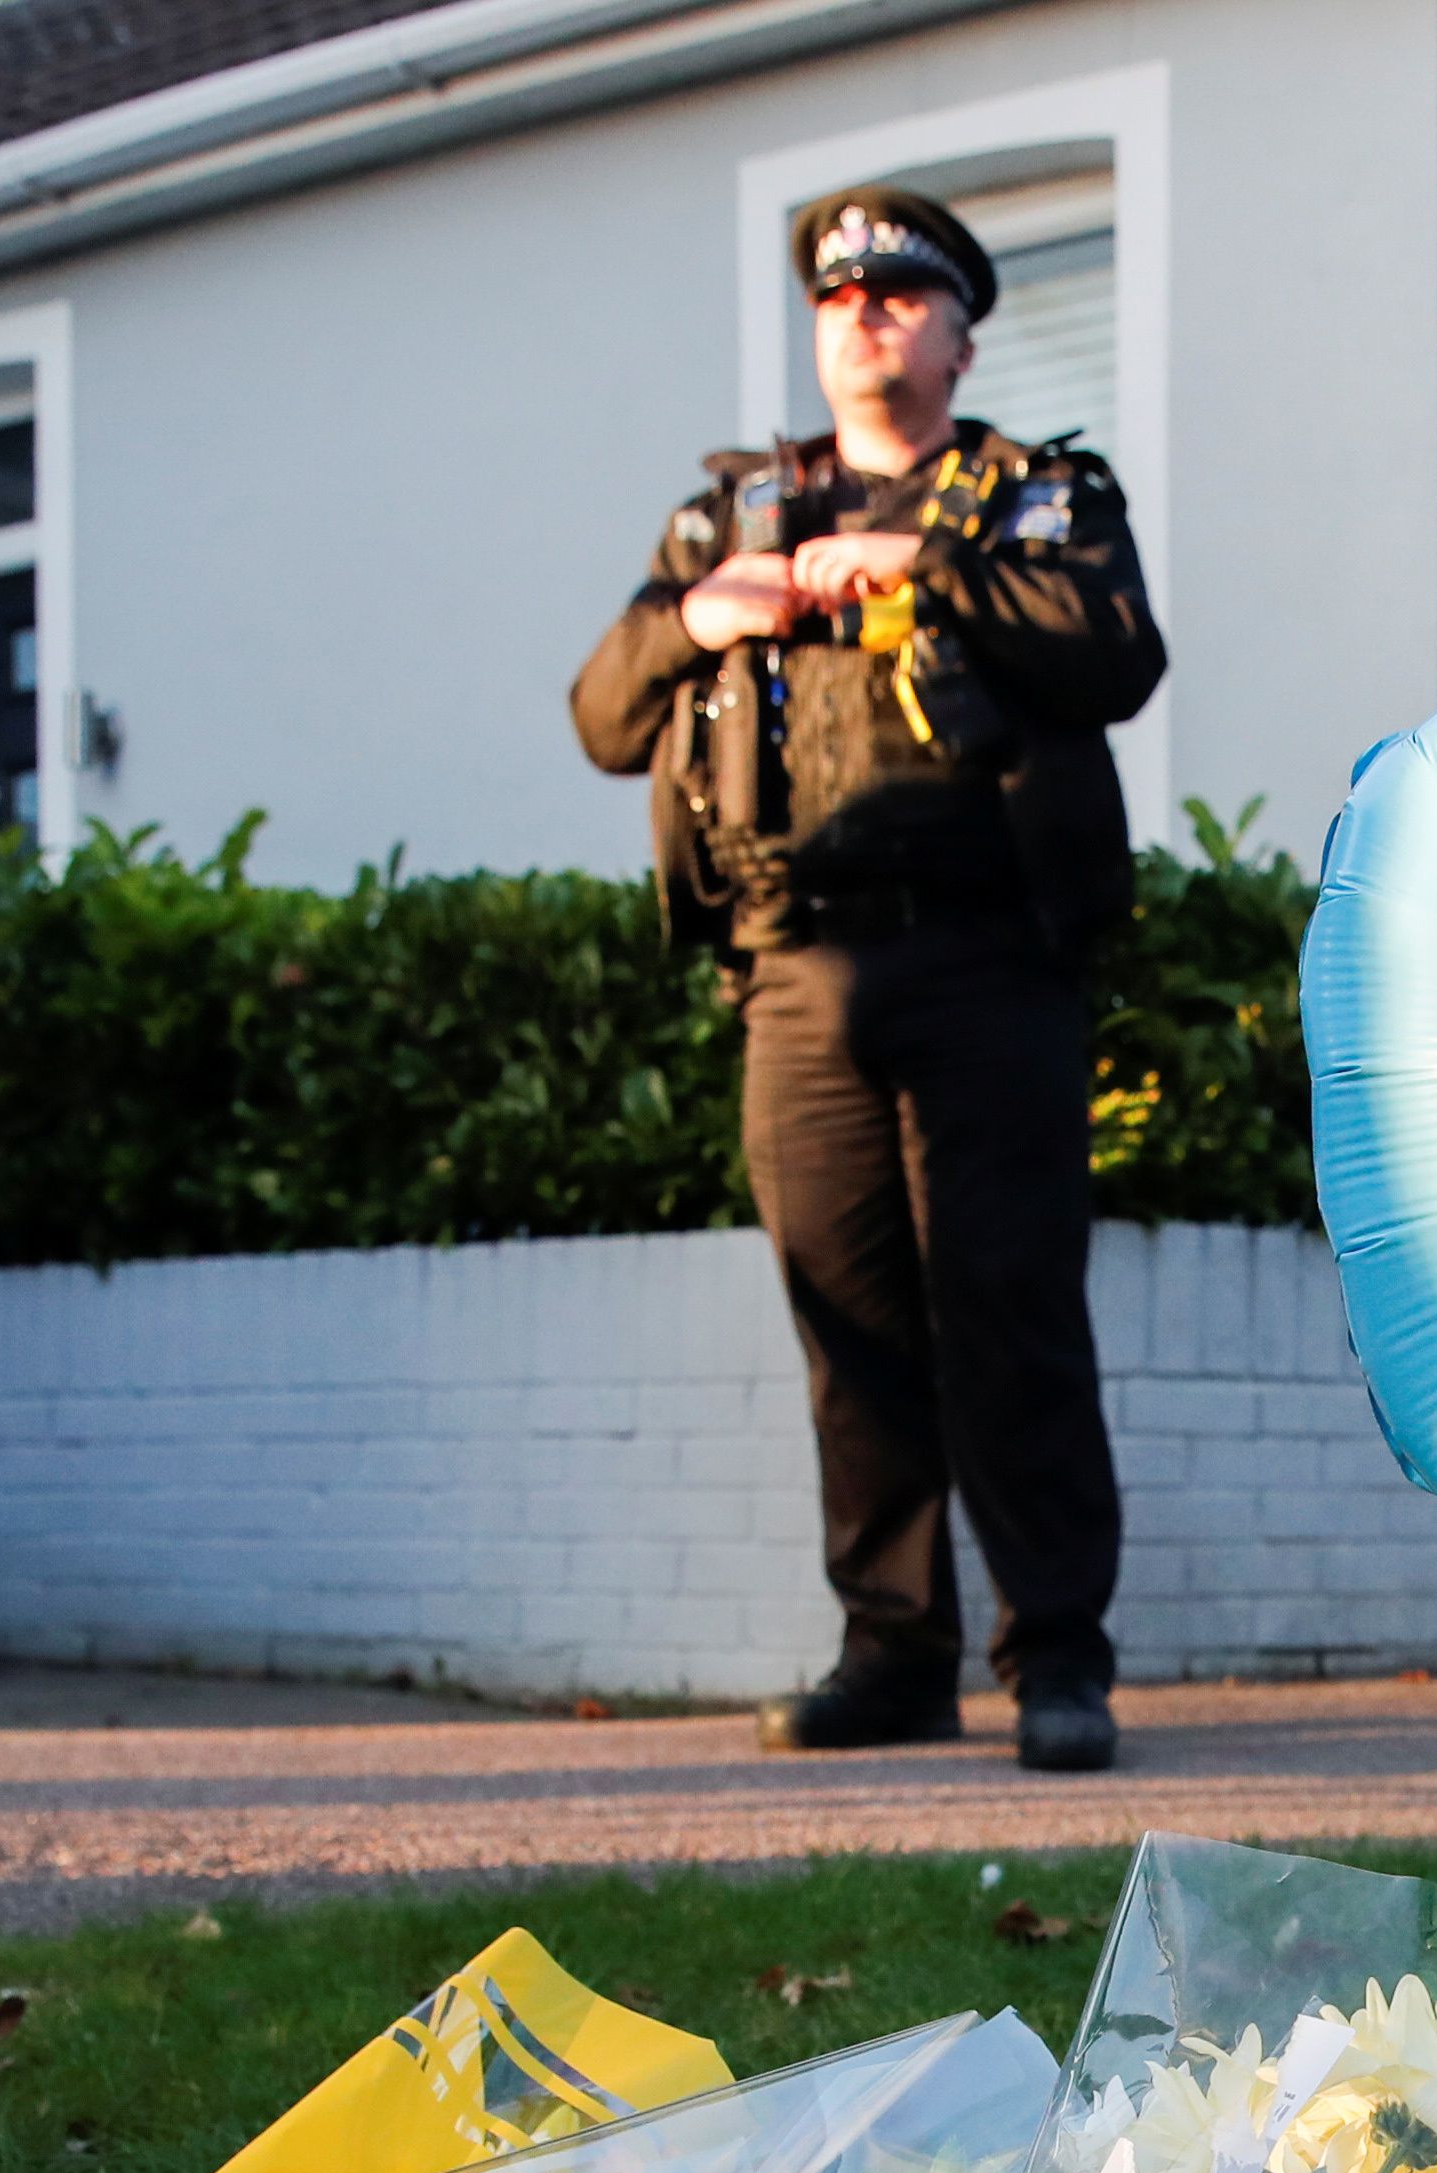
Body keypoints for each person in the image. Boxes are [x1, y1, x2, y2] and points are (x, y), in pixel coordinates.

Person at [571, 185, 1164, 1773]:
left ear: (963, 334)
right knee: (851, 1325)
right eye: (841, 301)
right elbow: (604, 712)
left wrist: (916, 568)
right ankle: (891, 1653)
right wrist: (705, 615)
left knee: (1011, 1306)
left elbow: (1117, 651)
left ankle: (1058, 1660)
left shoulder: (1035, 501)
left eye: (903, 298)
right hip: (797, 967)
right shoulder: (729, 521)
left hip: (990, 959)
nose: (867, 320)